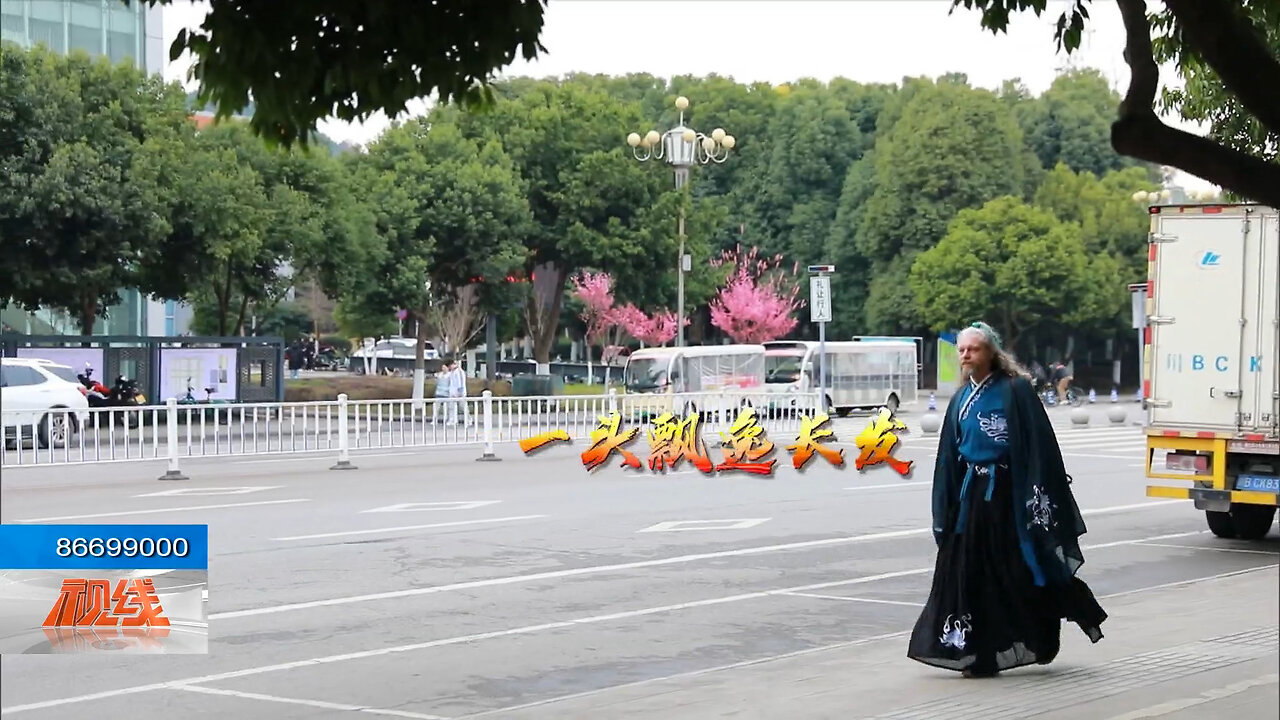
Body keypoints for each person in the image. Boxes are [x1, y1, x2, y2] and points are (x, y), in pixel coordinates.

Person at [907, 321, 1107, 678]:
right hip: (971, 500)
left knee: (1018, 570)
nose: (966, 355)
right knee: (971, 575)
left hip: (1009, 499)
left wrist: (1037, 500)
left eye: (974, 349)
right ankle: (978, 652)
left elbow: (1040, 447)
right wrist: (947, 507)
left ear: (992, 353)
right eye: (962, 349)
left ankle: (1039, 633)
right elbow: (948, 458)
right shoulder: (960, 398)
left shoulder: (1016, 391)